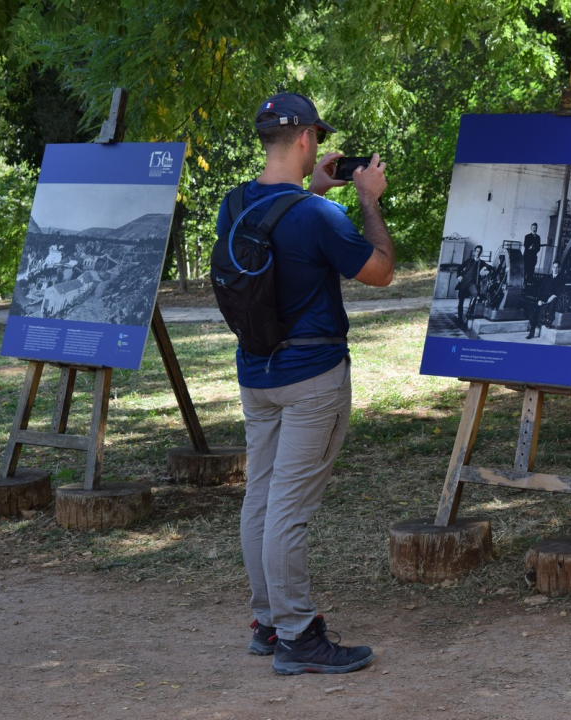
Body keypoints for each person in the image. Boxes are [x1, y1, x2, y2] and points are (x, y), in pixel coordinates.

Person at [216, 92, 394, 676]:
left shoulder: (236, 203)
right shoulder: (319, 217)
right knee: (287, 510)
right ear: (304, 140)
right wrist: (368, 200)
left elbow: (277, 235)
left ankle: (268, 624)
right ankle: (297, 636)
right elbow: (381, 270)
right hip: (313, 380)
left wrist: (314, 188)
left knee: (261, 499)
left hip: (256, 375)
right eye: (315, 136)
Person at [526, 261, 564, 339]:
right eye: (554, 267)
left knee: (543, 310)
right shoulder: (547, 278)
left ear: (559, 268)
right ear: (552, 268)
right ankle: (531, 332)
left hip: (552, 300)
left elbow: (557, 292)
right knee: (534, 310)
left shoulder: (561, 279)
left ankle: (547, 322)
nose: (555, 269)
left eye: (557, 267)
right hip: (543, 299)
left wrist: (548, 300)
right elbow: (541, 290)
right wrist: (539, 300)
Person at [455, 245, 489, 325]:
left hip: (472, 284)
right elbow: (459, 268)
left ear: (481, 253)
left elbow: (490, 267)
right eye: (477, 251)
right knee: (461, 301)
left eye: (480, 252)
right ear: (474, 252)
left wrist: (485, 268)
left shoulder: (481, 263)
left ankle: (469, 314)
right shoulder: (469, 260)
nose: (478, 253)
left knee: (475, 293)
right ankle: (460, 319)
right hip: (464, 283)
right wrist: (459, 276)